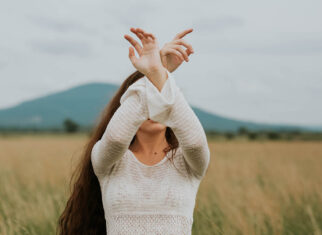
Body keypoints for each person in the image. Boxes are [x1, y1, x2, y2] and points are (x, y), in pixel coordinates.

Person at [57, 27, 210, 235]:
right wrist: (157, 73)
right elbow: (117, 138)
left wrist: (159, 72)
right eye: (147, 101)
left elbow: (195, 142)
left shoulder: (188, 161)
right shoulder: (107, 160)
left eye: (159, 100)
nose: (153, 107)